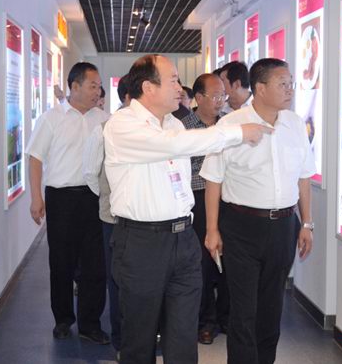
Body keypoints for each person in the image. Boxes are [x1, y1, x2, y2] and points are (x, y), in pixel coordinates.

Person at [103, 54, 272, 364]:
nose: (180, 88)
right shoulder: (122, 124)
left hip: (183, 240)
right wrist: (236, 132)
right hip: (142, 243)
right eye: (173, 80)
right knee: (139, 339)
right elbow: (173, 146)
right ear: (148, 87)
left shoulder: (173, 123)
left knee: (183, 338)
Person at [200, 58, 316, 364]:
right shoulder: (231, 125)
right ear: (260, 88)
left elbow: (304, 177)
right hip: (241, 226)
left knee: (271, 307)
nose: (290, 89)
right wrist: (212, 230)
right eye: (283, 83)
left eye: (291, 83)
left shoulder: (294, 124)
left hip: (284, 226)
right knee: (243, 310)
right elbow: (213, 179)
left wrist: (307, 223)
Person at [26, 62, 110, 343]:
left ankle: (90, 324)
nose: (98, 91)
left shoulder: (104, 119)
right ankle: (63, 320)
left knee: (95, 264)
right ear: (74, 86)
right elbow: (35, 158)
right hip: (61, 198)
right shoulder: (52, 118)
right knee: (61, 261)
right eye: (93, 86)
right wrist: (36, 197)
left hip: (94, 197)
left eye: (99, 86)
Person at [82, 74, 131, 356]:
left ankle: (144, 336)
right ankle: (121, 339)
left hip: (148, 222)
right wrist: (107, 198)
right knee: (117, 279)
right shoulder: (103, 129)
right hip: (114, 219)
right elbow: (91, 173)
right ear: (129, 97)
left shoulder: (161, 129)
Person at [180, 74, 229, 345]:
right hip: (198, 199)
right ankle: (205, 321)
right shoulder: (183, 128)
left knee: (228, 261)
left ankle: (226, 316)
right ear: (198, 98)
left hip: (229, 200)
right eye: (215, 96)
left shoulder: (229, 124)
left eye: (223, 95)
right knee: (202, 263)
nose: (221, 101)